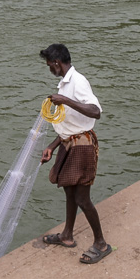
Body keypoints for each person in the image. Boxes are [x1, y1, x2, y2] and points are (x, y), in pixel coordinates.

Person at [37, 43, 112, 264]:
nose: (50, 69)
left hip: (83, 146)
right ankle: (67, 236)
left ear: (57, 63)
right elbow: (69, 123)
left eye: (50, 65)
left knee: (81, 197)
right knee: (69, 192)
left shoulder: (78, 82)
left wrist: (66, 100)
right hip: (70, 143)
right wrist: (52, 146)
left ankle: (101, 244)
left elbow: (95, 112)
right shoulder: (64, 84)